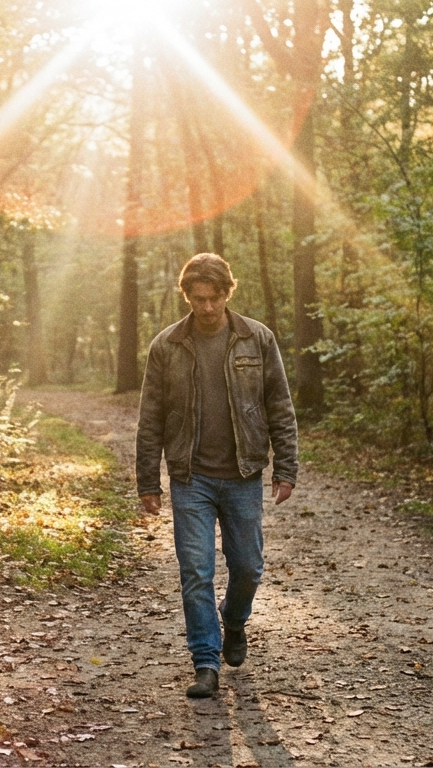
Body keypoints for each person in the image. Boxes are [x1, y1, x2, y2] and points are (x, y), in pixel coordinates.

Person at [135, 253, 299, 698]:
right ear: (187, 296)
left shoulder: (257, 339)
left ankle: (235, 620)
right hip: (191, 477)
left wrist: (286, 467)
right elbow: (150, 418)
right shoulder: (166, 346)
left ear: (228, 293)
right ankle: (205, 662)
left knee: (248, 566)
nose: (206, 307)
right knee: (196, 570)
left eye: (214, 298)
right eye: (198, 299)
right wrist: (148, 482)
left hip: (243, 473)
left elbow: (279, 405)